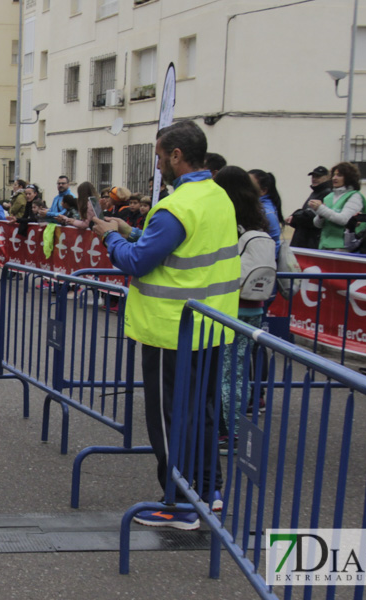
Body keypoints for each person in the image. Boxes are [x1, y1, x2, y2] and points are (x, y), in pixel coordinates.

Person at [92, 120, 237, 531]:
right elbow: (179, 247)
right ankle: (209, 492)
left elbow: (138, 262)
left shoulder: (176, 205)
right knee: (204, 415)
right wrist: (131, 230)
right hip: (211, 327)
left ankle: (179, 503)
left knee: (170, 419)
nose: (157, 165)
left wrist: (109, 237)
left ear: (176, 156)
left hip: (170, 330)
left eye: (159, 156)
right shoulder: (217, 196)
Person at [213, 165, 275, 456]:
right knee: (240, 370)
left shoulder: (227, 218)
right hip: (255, 305)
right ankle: (235, 427)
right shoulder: (258, 218)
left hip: (231, 304)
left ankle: (229, 432)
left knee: (227, 372)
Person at [309, 162, 366, 251]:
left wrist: (321, 209)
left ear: (348, 178)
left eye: (339, 175)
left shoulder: (354, 196)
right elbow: (318, 225)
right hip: (324, 245)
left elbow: (344, 219)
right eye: (334, 175)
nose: (334, 178)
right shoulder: (329, 197)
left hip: (343, 247)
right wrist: (320, 215)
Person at [287, 166, 332, 249]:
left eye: (318, 176)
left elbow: (310, 216)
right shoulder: (315, 192)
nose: (314, 179)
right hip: (303, 238)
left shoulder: (327, 193)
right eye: (313, 176)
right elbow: (305, 212)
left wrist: (296, 216)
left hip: (311, 240)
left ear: (327, 178)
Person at [247, 170, 284, 249]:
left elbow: (274, 243)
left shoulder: (265, 212)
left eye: (249, 185)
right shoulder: (256, 207)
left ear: (263, 191)